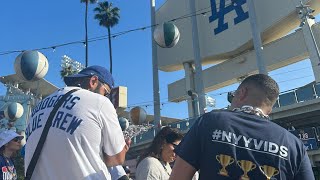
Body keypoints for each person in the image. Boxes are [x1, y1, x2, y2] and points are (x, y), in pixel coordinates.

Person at [170, 74, 314, 180]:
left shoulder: (209, 122)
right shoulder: (294, 144)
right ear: (269, 109)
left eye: (233, 96)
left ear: (242, 93)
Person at [25, 66, 130, 180]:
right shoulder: (100, 102)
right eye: (106, 92)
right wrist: (122, 148)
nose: (106, 97)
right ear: (93, 81)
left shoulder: (39, 106)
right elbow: (117, 159)